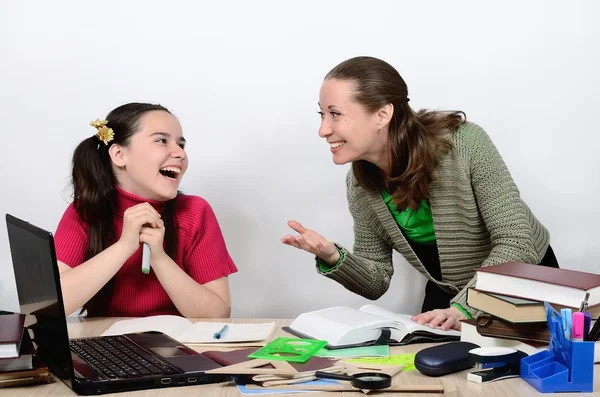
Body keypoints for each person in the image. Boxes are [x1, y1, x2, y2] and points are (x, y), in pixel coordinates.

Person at [281, 56, 558, 330]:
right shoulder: (359, 184)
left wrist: (464, 307)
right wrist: (333, 257)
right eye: (322, 114)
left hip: (523, 286)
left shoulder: (465, 143)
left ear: (382, 114)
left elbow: (517, 243)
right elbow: (376, 280)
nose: (323, 129)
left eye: (335, 114)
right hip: (453, 297)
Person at [55, 102, 237, 318]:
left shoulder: (195, 212)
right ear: (119, 155)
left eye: (181, 145)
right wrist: (124, 246)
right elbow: (51, 307)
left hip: (178, 347)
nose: (179, 153)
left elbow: (217, 315)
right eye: (161, 140)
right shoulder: (85, 212)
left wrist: (159, 257)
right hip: (105, 346)